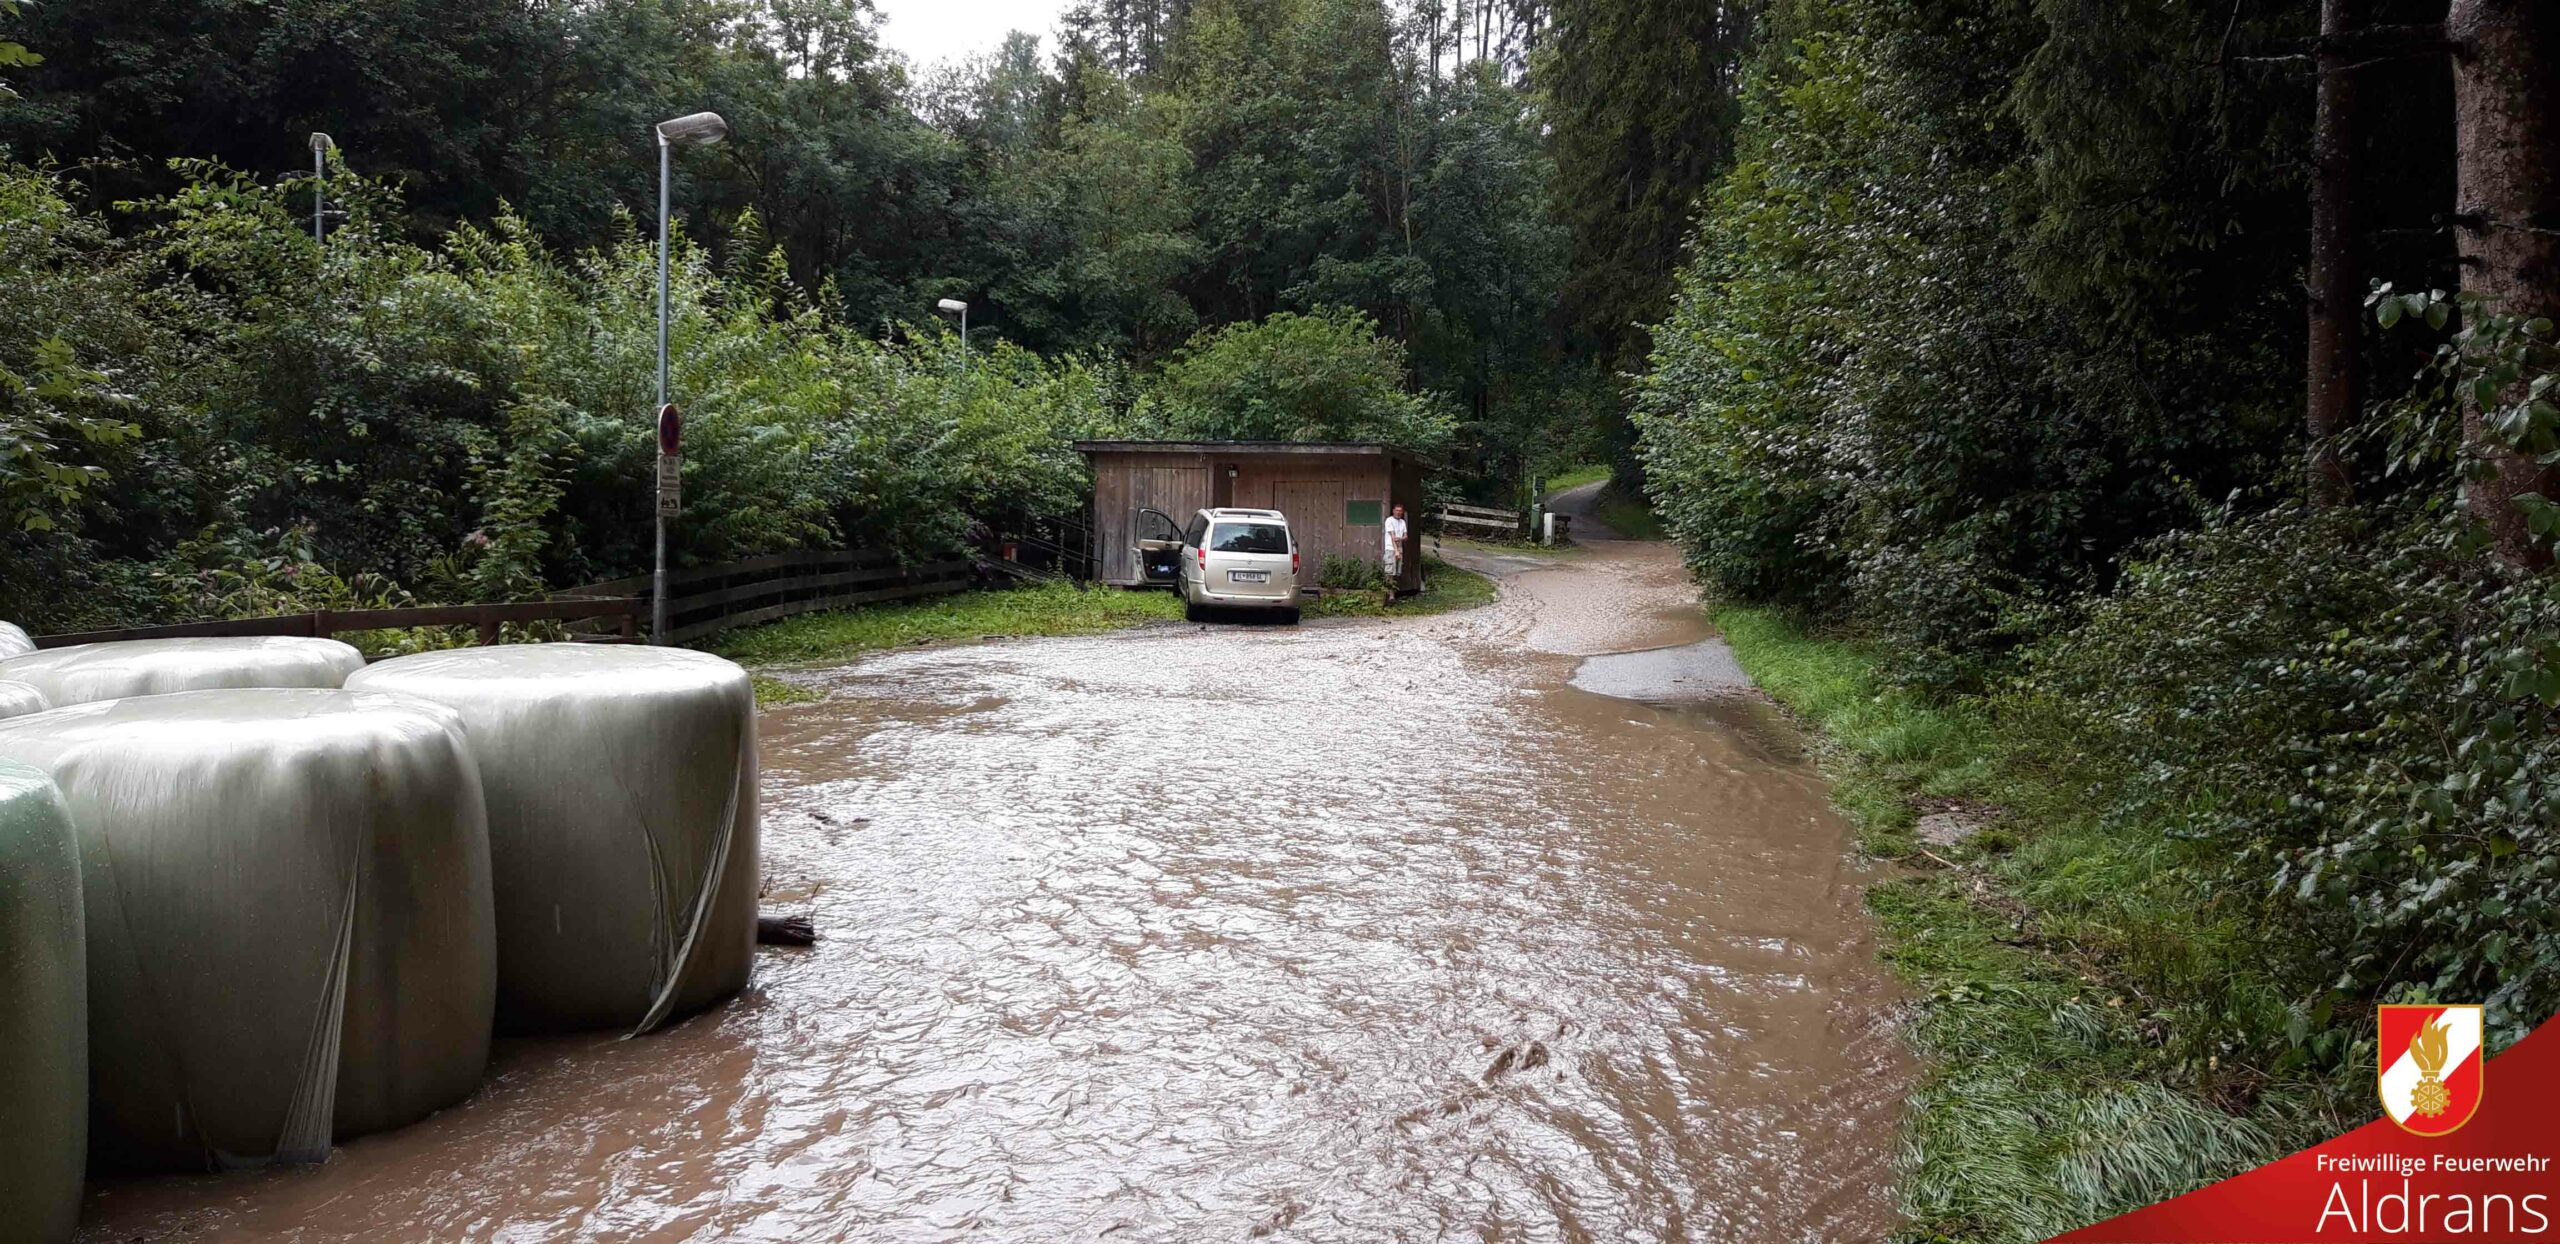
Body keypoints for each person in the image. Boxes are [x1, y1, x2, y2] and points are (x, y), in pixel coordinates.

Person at [1380, 504, 1409, 603]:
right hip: (1391, 549)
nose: (1398, 512)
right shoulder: (1389, 520)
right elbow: (1392, 537)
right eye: (1397, 510)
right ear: (1393, 511)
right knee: (1389, 572)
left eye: (1400, 511)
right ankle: (1389, 596)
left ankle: (1392, 594)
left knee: (1396, 572)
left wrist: (1399, 539)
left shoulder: (1402, 522)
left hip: (1400, 549)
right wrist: (1396, 550)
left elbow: (1405, 536)